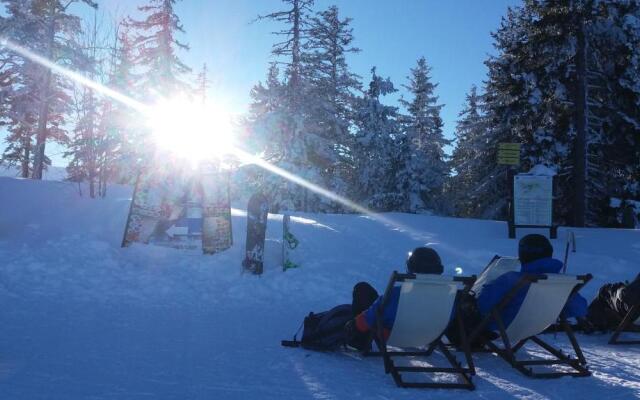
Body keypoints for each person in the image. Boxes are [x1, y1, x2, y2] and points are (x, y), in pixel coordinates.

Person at [475, 234, 588, 331]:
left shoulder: (511, 279)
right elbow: (579, 308)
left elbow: (483, 306)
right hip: (539, 326)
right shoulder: (560, 282)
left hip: (506, 326)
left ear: (522, 255)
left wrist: (488, 286)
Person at [345, 247, 444, 350]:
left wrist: (355, 325)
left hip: (393, 335)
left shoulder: (399, 294)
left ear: (411, 267)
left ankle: (360, 339)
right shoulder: (448, 296)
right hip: (428, 336)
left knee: (363, 289)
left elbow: (374, 313)